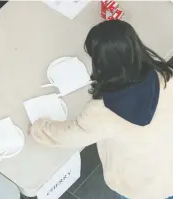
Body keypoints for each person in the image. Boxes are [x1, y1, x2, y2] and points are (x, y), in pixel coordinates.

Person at [30, 20, 173, 199]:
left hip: (141, 186)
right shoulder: (165, 77)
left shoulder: (102, 113)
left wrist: (39, 127)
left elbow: (67, 135)